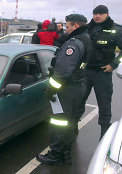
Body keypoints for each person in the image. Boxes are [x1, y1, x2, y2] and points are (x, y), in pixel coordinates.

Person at [36, 14, 92, 165]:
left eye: (67, 26)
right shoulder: (86, 39)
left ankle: (55, 155)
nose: (65, 29)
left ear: (76, 26)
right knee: (70, 121)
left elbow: (62, 72)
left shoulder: (73, 43)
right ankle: (66, 151)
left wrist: (52, 89)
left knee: (59, 122)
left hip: (67, 89)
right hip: (79, 85)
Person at [75, 5, 122, 139]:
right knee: (79, 101)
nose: (97, 16)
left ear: (107, 14)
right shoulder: (87, 28)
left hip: (103, 73)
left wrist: (114, 64)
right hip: (85, 72)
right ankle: (72, 130)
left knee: (104, 105)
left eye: (101, 13)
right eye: (95, 13)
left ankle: (104, 136)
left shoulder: (116, 29)